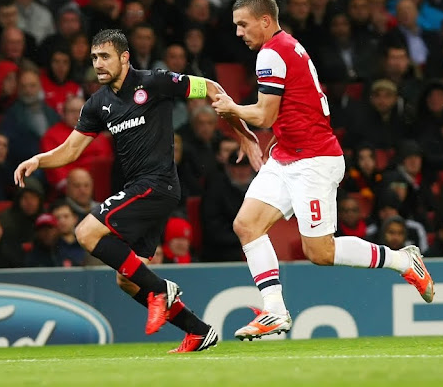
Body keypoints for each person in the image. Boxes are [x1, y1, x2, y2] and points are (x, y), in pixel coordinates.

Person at [14, 29, 260, 353]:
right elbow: (72, 149)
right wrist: (39, 159)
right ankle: (198, 331)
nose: (98, 64)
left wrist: (241, 133)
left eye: (104, 56)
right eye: (93, 58)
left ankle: (161, 289)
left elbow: (211, 87)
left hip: (158, 184)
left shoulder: (155, 82)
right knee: (127, 279)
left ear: (124, 57)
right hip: (140, 190)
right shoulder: (97, 104)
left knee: (86, 232)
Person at [211, 0, 435, 341]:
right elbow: (292, 108)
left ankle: (404, 261)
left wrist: (231, 108)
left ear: (265, 20)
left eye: (243, 24)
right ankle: (274, 311)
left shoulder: (271, 53)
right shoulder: (287, 46)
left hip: (314, 162)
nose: (239, 32)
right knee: (246, 225)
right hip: (288, 154)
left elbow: (264, 114)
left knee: (320, 252)